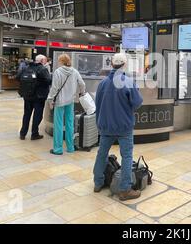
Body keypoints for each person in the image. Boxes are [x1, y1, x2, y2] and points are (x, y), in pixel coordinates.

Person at [93, 53, 143, 200]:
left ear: (112, 65)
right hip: (124, 127)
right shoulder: (128, 82)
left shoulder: (102, 83)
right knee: (126, 156)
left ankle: (98, 183)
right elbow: (137, 103)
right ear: (124, 65)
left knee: (102, 154)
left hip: (106, 126)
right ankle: (125, 189)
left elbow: (98, 104)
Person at [47, 54, 85, 155]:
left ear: (61, 61)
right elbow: (82, 84)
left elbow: (55, 88)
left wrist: (50, 99)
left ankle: (58, 149)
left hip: (60, 101)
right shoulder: (75, 71)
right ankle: (70, 147)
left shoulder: (58, 72)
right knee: (69, 124)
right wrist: (82, 92)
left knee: (58, 124)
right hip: (71, 101)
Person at [16, 54, 51, 140]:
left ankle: (22, 133)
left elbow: (18, 77)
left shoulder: (26, 67)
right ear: (42, 61)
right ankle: (34, 133)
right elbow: (49, 80)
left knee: (26, 114)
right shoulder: (42, 69)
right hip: (39, 96)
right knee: (37, 115)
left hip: (27, 95)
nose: (46, 62)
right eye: (45, 60)